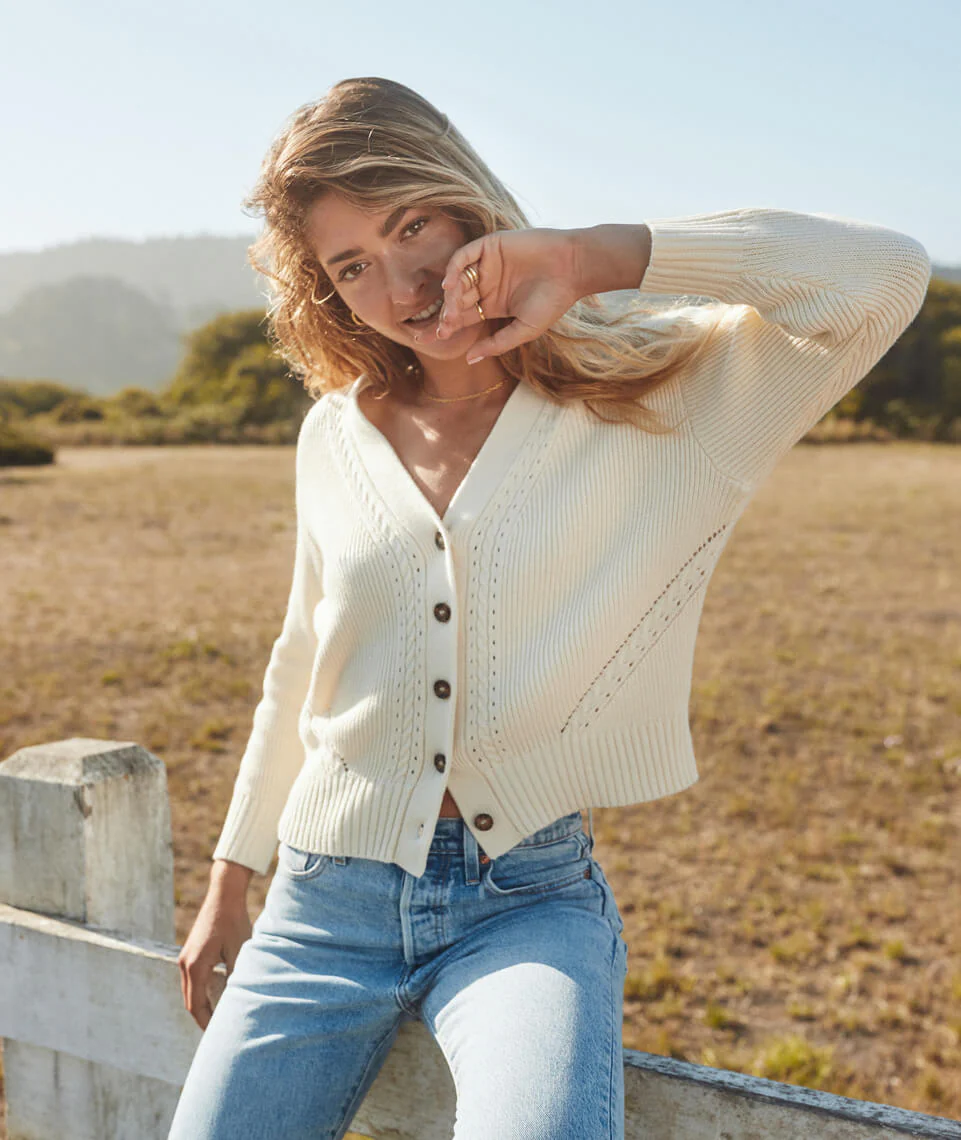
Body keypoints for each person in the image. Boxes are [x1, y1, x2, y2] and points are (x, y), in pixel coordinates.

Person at [169, 77, 931, 1140]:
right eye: (352, 266)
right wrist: (228, 882)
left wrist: (585, 257)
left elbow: (882, 275)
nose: (402, 282)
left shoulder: (671, 400)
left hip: (524, 904)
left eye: (413, 225)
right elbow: (303, 656)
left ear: (466, 200)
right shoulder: (333, 431)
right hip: (318, 908)